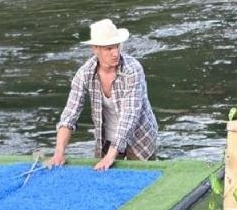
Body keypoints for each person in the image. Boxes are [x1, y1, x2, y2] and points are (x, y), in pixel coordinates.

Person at [48, 19, 159, 170]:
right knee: (104, 177)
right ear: (95, 49)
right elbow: (70, 113)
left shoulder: (133, 70)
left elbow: (130, 115)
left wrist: (111, 155)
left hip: (139, 138)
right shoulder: (85, 73)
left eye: (117, 47)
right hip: (106, 137)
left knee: (145, 177)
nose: (115, 53)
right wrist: (59, 152)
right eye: (108, 49)